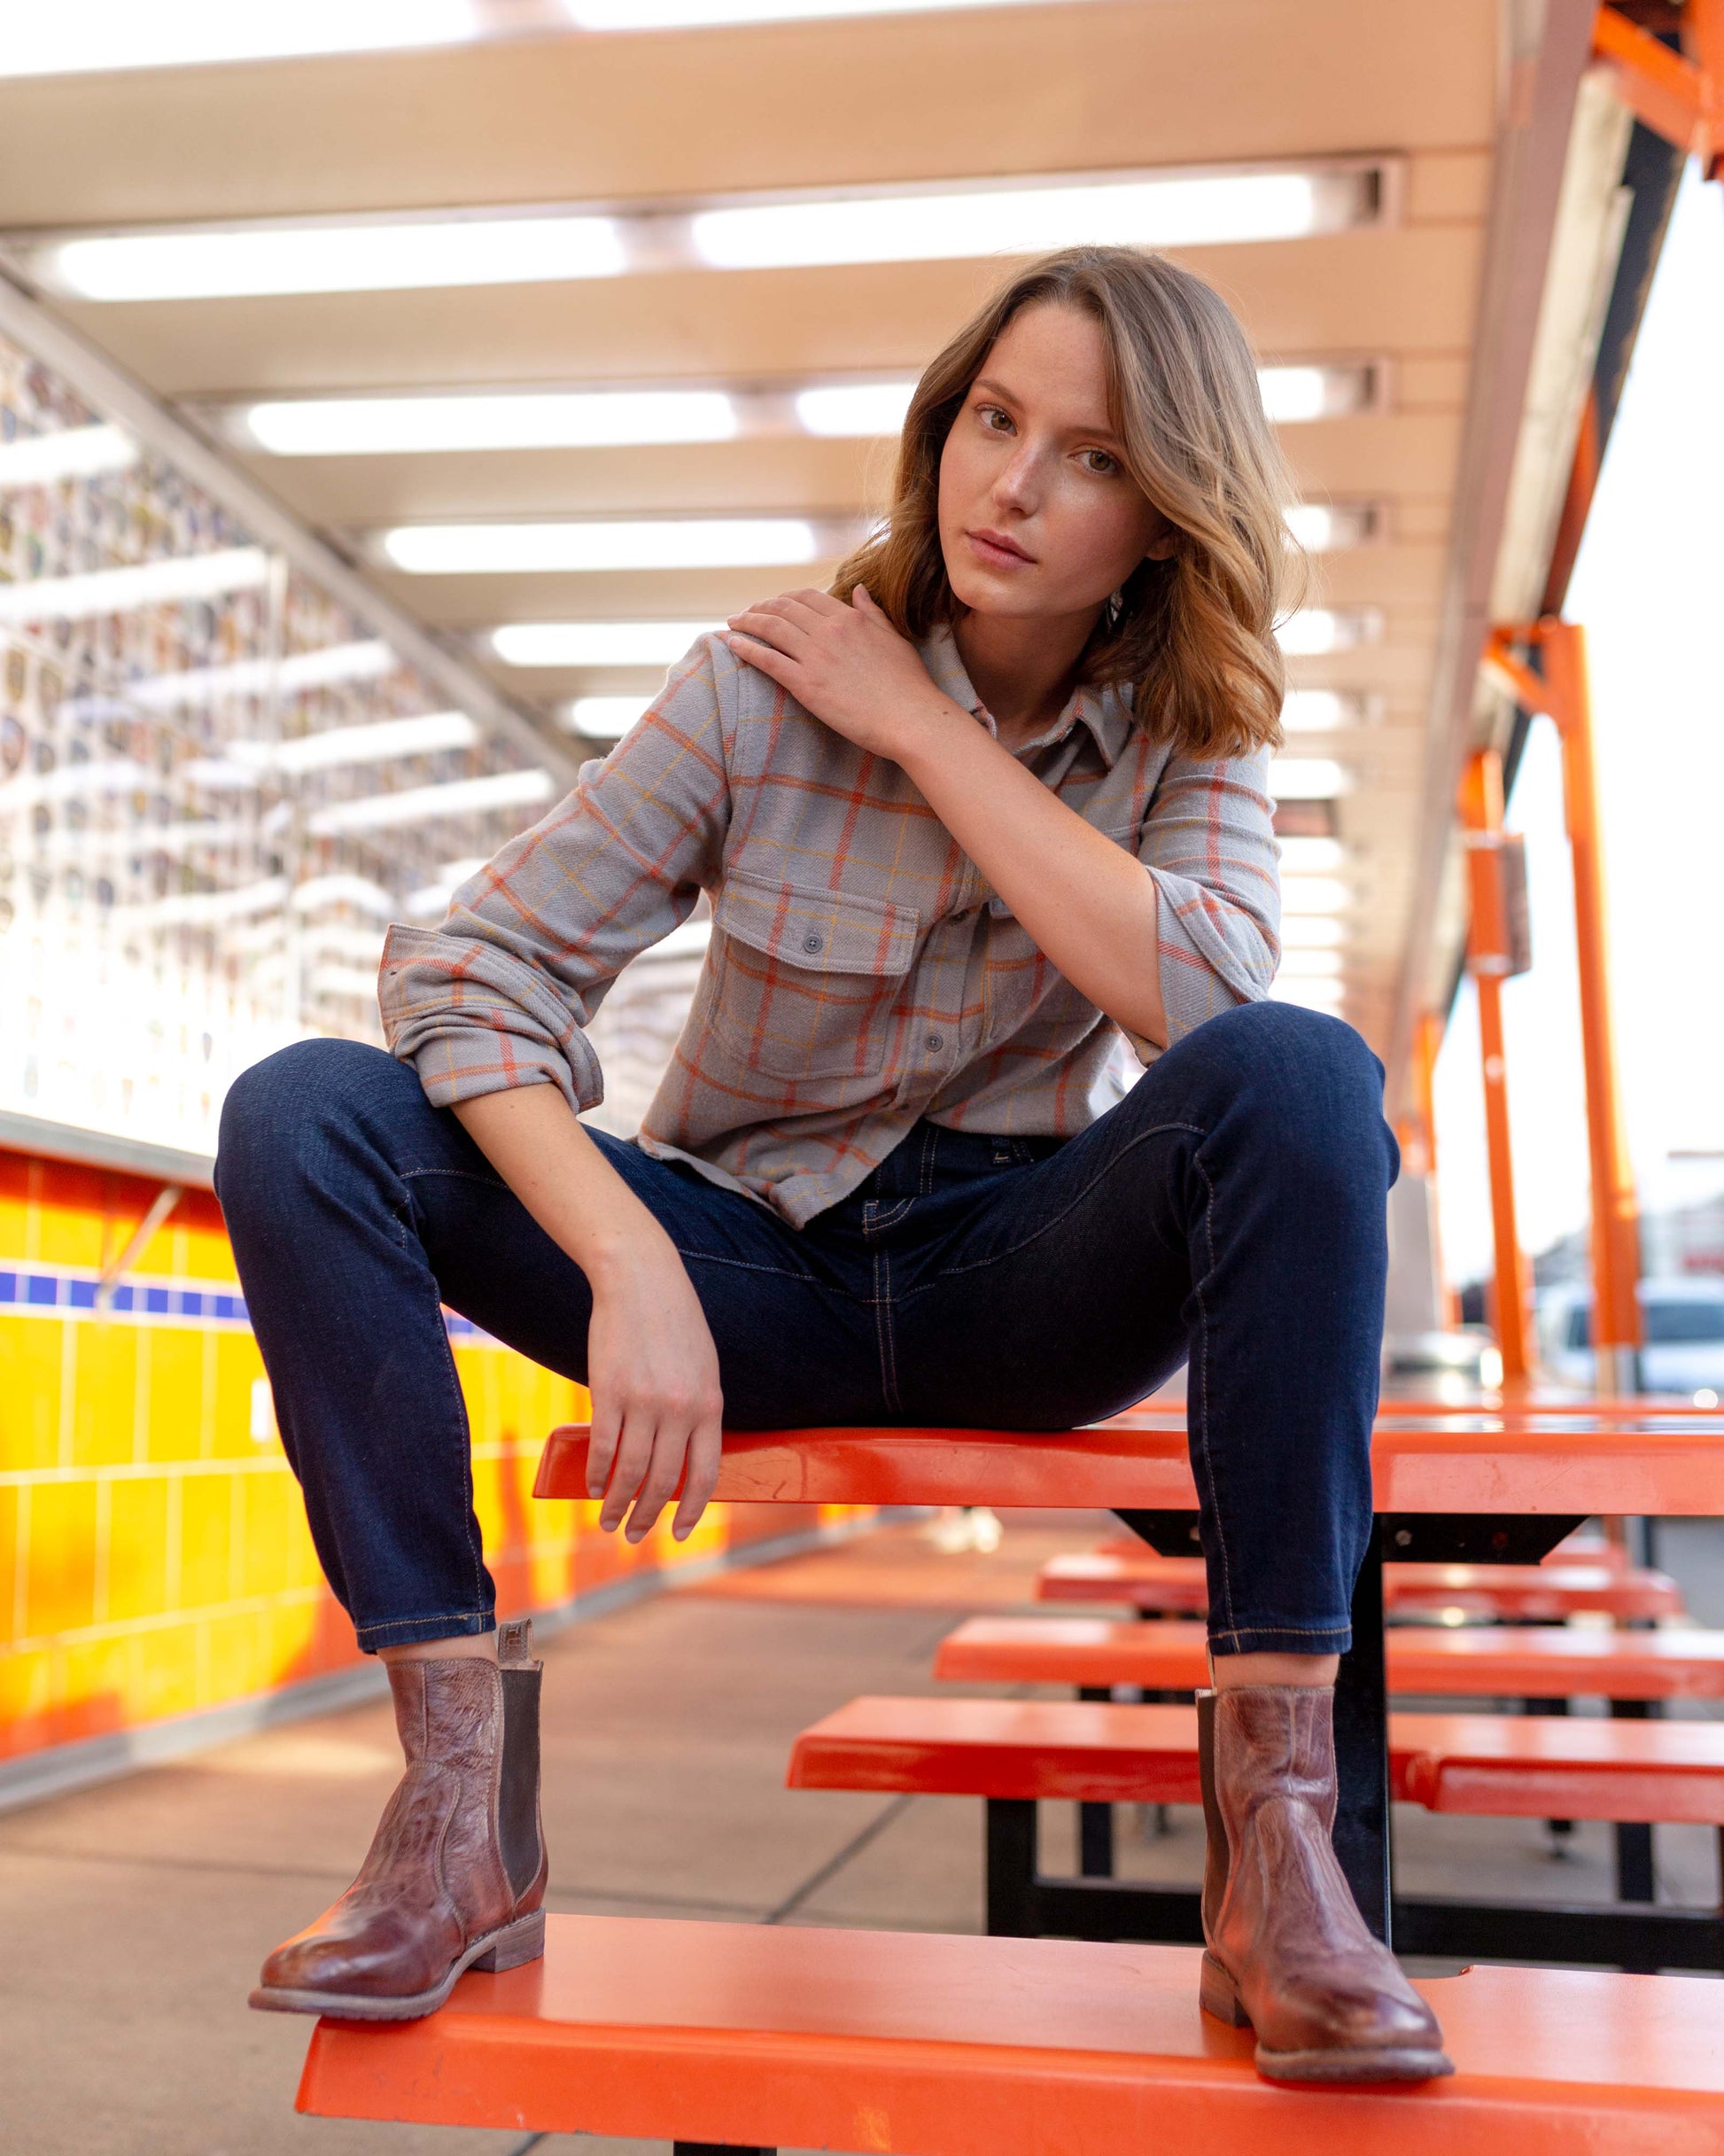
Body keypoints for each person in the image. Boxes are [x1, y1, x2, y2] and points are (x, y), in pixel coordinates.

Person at [216, 244, 1448, 2083]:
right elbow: (469, 967)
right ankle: (456, 1811)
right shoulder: (754, 684)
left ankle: (1277, 1847)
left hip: (1019, 1278)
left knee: (1302, 1074)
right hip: (744, 1271)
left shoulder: (1197, 727)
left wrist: (925, 731)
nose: (1011, 485)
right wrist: (628, 1259)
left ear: (1167, 516)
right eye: (992, 420)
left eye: (1093, 457)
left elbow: (1203, 993)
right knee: (303, 1110)